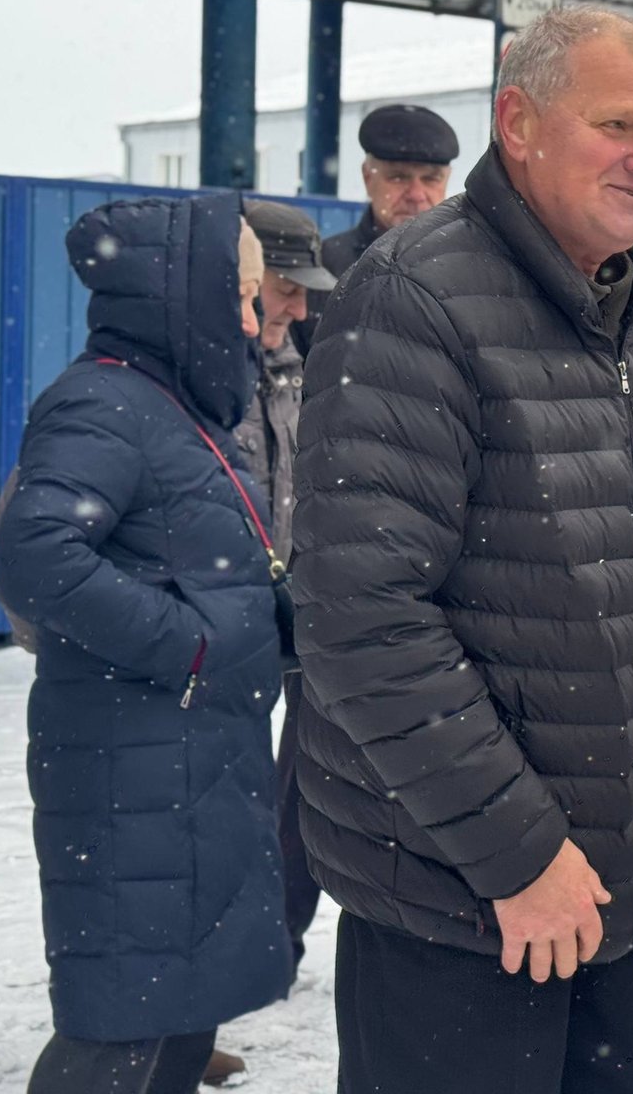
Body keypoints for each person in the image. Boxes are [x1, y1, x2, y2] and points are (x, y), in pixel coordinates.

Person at [289, 6, 633, 1094]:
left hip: (609, 899)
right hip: (458, 906)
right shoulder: (410, 298)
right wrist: (518, 853)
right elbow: (362, 619)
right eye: (617, 126)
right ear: (518, 124)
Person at [0, 194, 291, 1094]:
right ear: (180, 294)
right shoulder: (104, 404)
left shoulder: (168, 405)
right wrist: (192, 649)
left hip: (188, 764)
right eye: (239, 296)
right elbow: (36, 555)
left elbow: (193, 561)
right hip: (135, 771)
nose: (253, 321)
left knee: (176, 1019)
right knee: (123, 1028)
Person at [234, 200, 336, 970]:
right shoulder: (197, 374)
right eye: (284, 288)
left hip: (299, 617)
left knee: (301, 789)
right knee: (220, 798)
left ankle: (274, 940)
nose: (299, 308)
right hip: (219, 632)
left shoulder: (300, 364)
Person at [293, 103, 458, 356]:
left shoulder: (470, 266)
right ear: (367, 177)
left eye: (430, 179)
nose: (416, 194)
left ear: (447, 181)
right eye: (398, 177)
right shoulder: (323, 268)